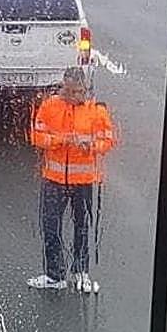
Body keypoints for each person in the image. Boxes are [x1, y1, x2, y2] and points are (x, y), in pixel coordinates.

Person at [27, 67, 116, 293]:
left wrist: (92, 146)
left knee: (82, 227)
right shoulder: (49, 107)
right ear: (63, 89)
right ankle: (54, 274)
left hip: (84, 181)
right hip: (54, 179)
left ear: (85, 88)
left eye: (80, 91)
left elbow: (107, 140)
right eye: (71, 91)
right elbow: (37, 137)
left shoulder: (96, 111)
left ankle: (81, 272)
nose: (77, 96)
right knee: (50, 226)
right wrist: (61, 140)